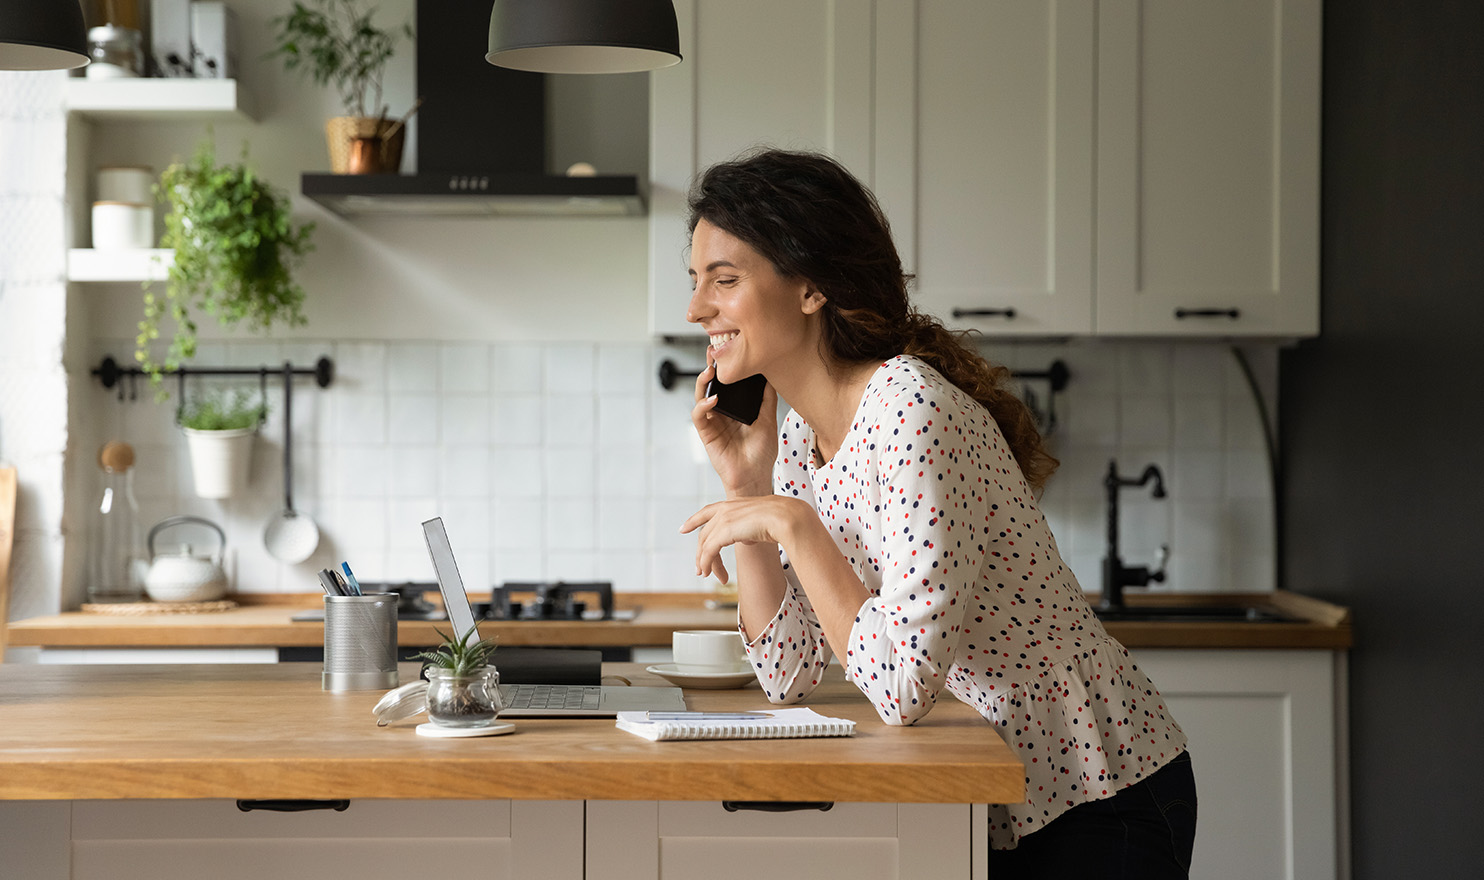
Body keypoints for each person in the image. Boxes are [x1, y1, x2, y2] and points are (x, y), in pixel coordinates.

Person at [678, 149, 1197, 877]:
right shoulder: (797, 437)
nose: (697, 308)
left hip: (1100, 792)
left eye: (724, 281)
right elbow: (789, 676)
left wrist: (790, 520)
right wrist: (747, 483)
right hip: (992, 792)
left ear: (811, 288)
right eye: (696, 281)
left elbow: (899, 686)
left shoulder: (910, 410)